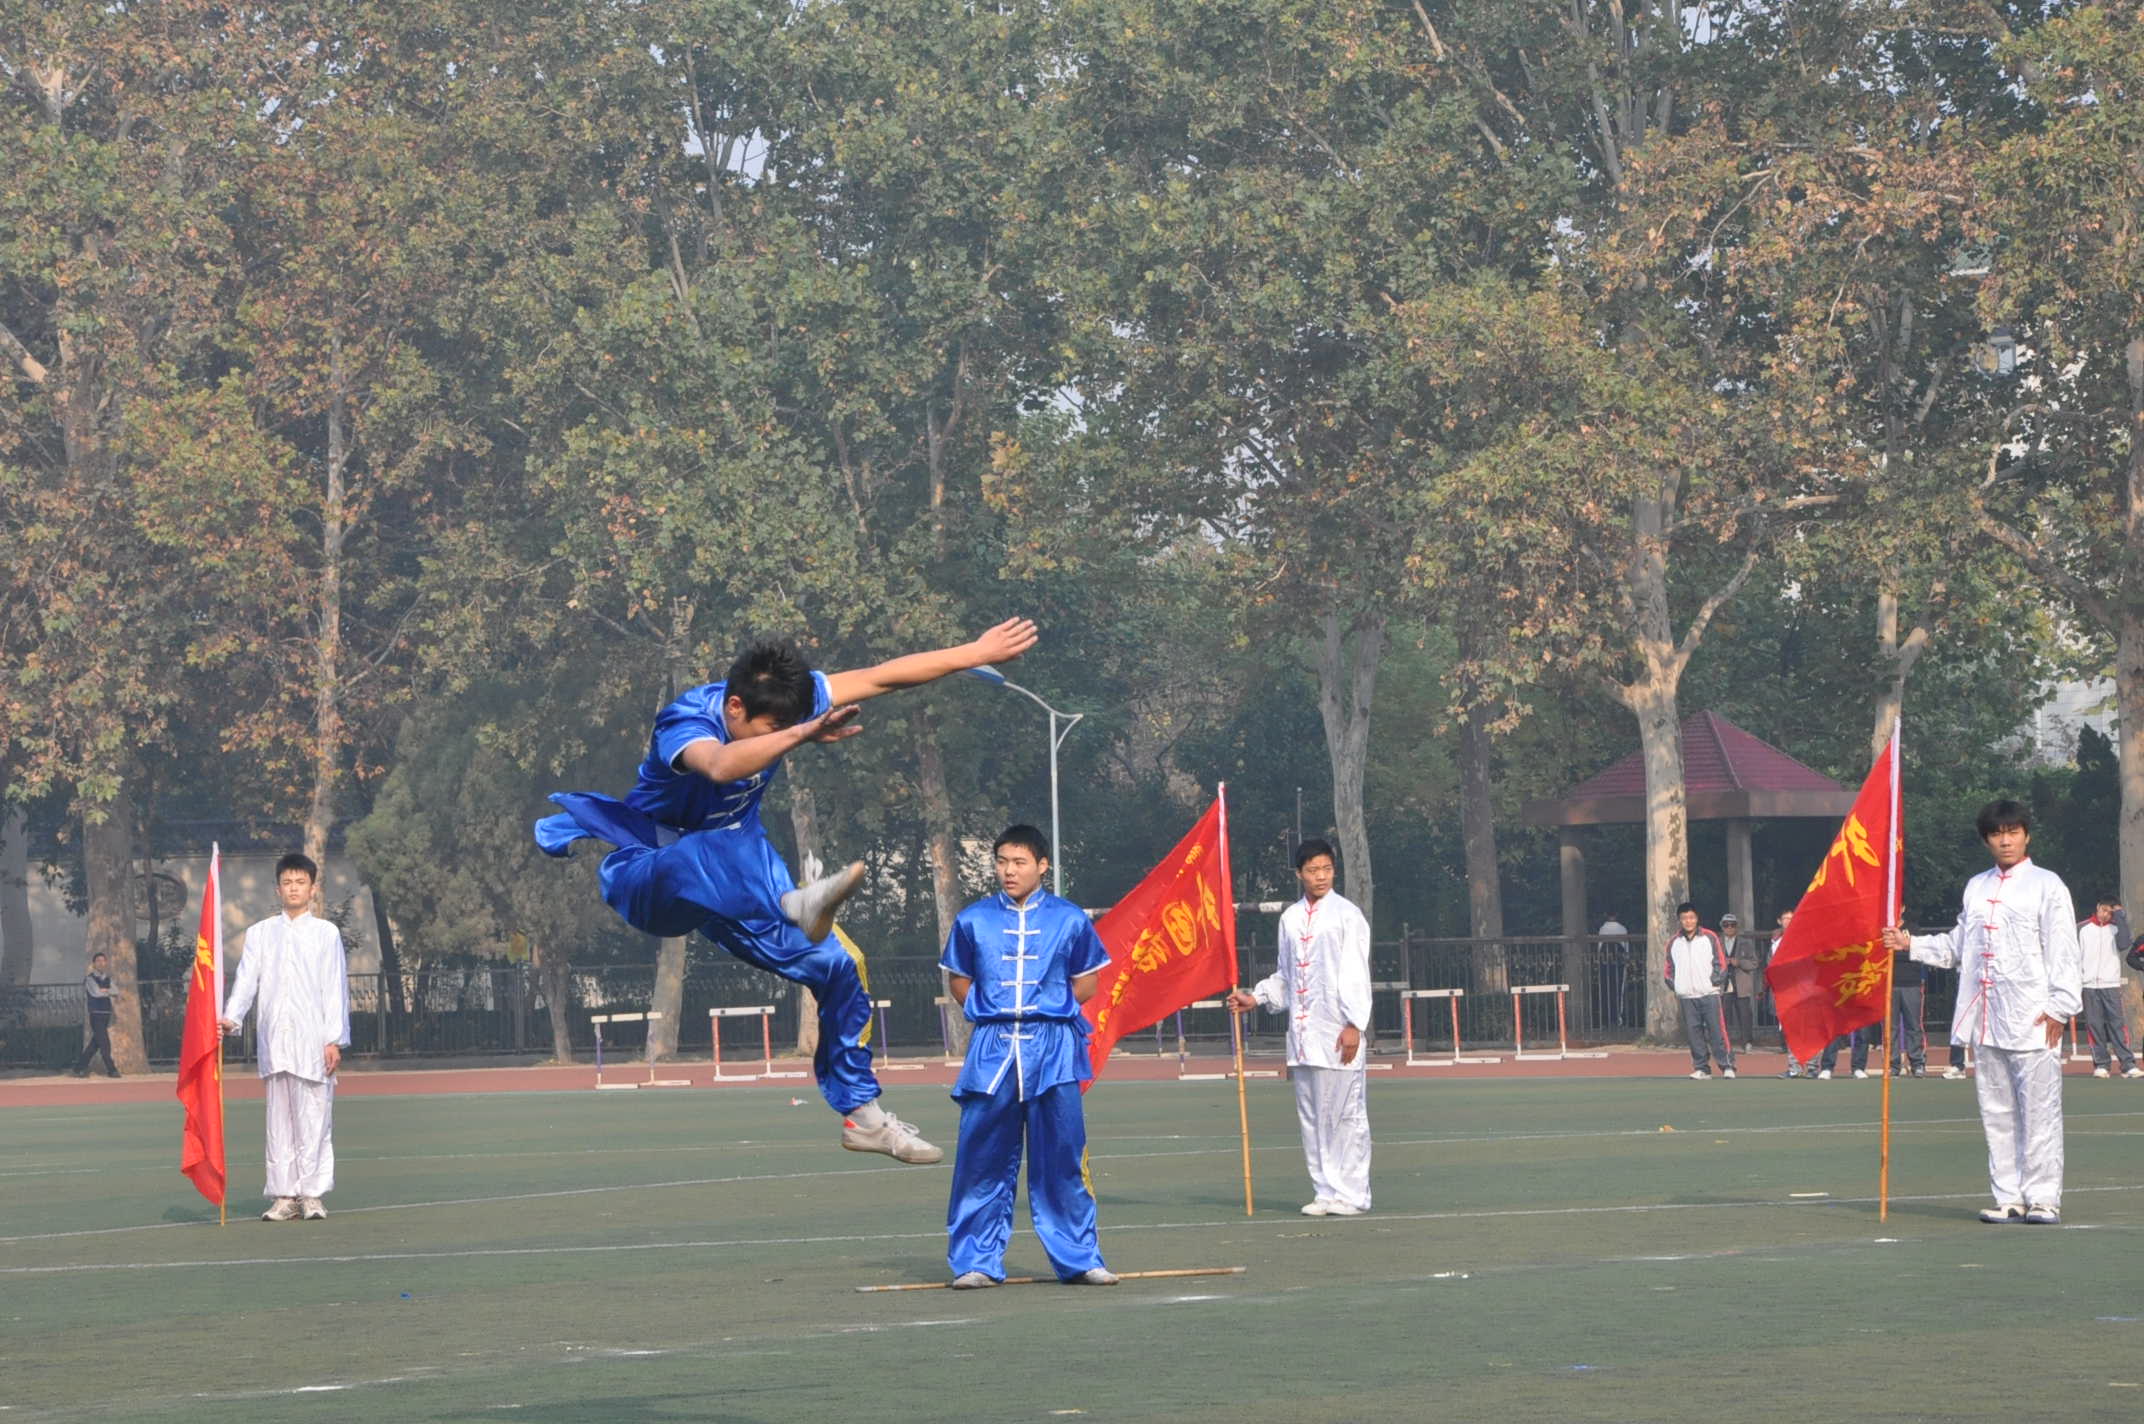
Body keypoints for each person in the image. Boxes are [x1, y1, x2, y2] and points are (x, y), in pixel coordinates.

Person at [535, 619, 1038, 1165]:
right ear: (734, 708)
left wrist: (973, 651)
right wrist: (804, 733)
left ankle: (864, 1117)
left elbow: (882, 677)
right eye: (773, 728)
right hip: (651, 873)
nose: (782, 734)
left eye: (791, 724)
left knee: (840, 965)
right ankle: (790, 905)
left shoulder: (786, 700)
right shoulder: (687, 720)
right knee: (709, 848)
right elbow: (719, 766)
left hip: (741, 877)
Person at [1884, 799, 2082, 1225]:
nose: (2005, 840)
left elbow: (2064, 949)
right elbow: (1960, 945)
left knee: (2040, 1112)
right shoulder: (1976, 887)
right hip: (1987, 1018)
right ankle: (2008, 1196)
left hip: (2034, 1017)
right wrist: (1910, 944)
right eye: (1997, 833)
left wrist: (2060, 1006)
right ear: (1986, 840)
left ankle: (2043, 1197)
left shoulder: (2047, 885)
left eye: (2013, 832)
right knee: (1996, 1113)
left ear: (2027, 835)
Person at [939, 825, 1116, 1289]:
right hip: (992, 1049)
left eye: (1019, 862)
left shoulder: (1069, 919)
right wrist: (990, 1010)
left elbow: (1088, 981)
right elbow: (958, 979)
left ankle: (1079, 1258)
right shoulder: (973, 920)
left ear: (1042, 865)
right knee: (981, 1158)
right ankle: (976, 1261)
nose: (1008, 871)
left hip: (1054, 1048)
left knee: (1062, 1155)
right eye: (1001, 861)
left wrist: (1049, 1007)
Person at [1227, 838, 1373, 1216]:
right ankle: (1324, 1191)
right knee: (1312, 1117)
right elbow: (1286, 975)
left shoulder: (1348, 915)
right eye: (1312, 870)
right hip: (1304, 1036)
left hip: (1338, 1030)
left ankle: (1352, 1194)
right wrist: (1256, 997)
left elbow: (1356, 973)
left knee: (1345, 1114)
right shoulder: (1290, 919)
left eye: (1326, 869)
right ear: (1299, 874)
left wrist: (1354, 1023)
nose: (1320, 876)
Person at [218, 854, 350, 1222]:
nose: (294, 889)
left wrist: (333, 1039)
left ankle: (312, 1195)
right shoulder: (261, 933)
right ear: (278, 889)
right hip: (275, 1039)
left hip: (313, 1040)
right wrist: (232, 1017)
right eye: (287, 882)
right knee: (279, 1123)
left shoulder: (326, 933)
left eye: (300, 882)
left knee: (314, 1119)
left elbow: (334, 988)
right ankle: (283, 1195)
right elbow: (247, 979)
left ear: (313, 888)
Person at [1665, 902, 1734, 1079]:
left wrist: (1714, 982)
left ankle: (1727, 1066)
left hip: (1709, 993)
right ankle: (1702, 1068)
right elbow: (1669, 969)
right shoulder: (1674, 942)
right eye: (1684, 918)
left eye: (1691, 917)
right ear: (1679, 920)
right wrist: (1677, 986)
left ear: (1697, 919)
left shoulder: (1710, 937)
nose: (1688, 921)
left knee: (1717, 1031)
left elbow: (1721, 962)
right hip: (1687, 996)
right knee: (1694, 1034)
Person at [2077, 897, 2141, 1079]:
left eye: (2110, 912)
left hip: (2111, 984)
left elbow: (2124, 944)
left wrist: (2120, 916)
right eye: (2103, 910)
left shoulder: (2116, 928)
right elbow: (2073, 955)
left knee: (2117, 1025)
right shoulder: (2082, 928)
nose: (2105, 914)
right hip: (2089, 985)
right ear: (2097, 907)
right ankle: (2101, 1065)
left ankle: (2127, 1065)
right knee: (2094, 1025)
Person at [69, 951, 119, 1078]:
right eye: (98, 961)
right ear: (94, 964)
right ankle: (112, 1069)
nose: (101, 963)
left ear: (106, 963)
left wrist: (105, 990)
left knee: (95, 1044)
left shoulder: (108, 978)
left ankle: (78, 1068)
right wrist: (107, 991)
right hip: (96, 1015)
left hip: (106, 1014)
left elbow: (116, 991)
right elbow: (96, 993)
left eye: (103, 961)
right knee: (105, 1043)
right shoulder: (90, 979)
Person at [1720, 913, 1760, 1052]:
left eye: (1732, 925)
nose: (1729, 927)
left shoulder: (1745, 943)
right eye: (1726, 925)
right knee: (1723, 1015)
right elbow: (1709, 963)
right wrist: (1722, 964)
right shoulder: (1717, 943)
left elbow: (1754, 963)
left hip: (1741, 983)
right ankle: (1724, 1043)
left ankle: (1747, 1042)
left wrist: (1740, 963)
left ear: (1736, 927)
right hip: (1723, 984)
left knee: (1745, 1014)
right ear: (1722, 927)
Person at [1888, 945, 1929, 1077]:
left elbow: (1919, 952)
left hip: (1912, 983)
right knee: (1890, 1028)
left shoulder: (1915, 932)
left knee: (1914, 1026)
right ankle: (1892, 1065)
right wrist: (1902, 951)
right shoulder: (1885, 933)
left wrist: (1896, 953)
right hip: (1889, 984)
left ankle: (1917, 1064)